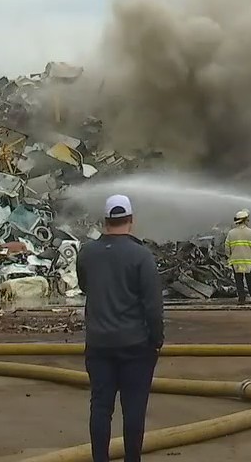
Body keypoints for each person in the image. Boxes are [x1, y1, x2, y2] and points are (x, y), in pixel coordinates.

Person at [75, 194, 165, 462]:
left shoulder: (87, 253)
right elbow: (153, 306)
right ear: (131, 220)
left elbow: (84, 287)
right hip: (136, 346)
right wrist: (157, 340)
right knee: (134, 410)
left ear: (105, 221)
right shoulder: (141, 256)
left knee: (100, 407)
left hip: (99, 344)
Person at [225, 209, 251, 305]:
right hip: (248, 261)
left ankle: (242, 300)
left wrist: (231, 257)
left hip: (236, 262)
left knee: (239, 282)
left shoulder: (231, 233)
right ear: (245, 220)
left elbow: (227, 248)